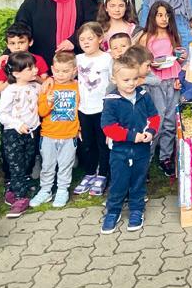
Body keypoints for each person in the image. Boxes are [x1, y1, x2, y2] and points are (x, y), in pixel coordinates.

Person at [100, 56, 161, 234]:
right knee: (118, 182)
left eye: (135, 79)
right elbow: (108, 127)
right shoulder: (111, 100)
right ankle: (113, 211)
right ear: (114, 79)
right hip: (120, 150)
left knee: (138, 181)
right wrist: (132, 136)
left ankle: (136, 210)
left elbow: (154, 117)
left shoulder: (143, 95)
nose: (131, 83)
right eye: (126, 80)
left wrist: (150, 132)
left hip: (142, 150)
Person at [15, 0, 98, 66]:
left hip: (75, 59)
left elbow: (91, 24)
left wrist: (73, 40)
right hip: (39, 61)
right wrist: (9, 51)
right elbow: (20, 26)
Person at [137, 2, 184, 177]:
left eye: (167, 15)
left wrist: (180, 68)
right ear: (153, 16)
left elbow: (177, 60)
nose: (164, 19)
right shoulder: (146, 37)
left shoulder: (173, 35)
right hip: (155, 82)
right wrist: (151, 64)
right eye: (160, 15)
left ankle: (165, 158)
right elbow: (140, 60)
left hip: (172, 80)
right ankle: (146, 160)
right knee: (157, 119)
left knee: (170, 121)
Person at [31, 51, 79, 208]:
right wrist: (49, 103)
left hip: (69, 134)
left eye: (65, 71)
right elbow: (41, 112)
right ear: (52, 69)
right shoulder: (47, 87)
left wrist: (80, 128)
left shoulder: (78, 86)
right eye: (57, 71)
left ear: (74, 70)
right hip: (49, 134)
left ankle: (62, 190)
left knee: (65, 165)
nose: (61, 74)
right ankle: (45, 190)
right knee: (47, 165)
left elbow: (81, 109)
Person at [0, 52, 40, 218]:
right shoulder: (10, 91)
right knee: (17, 166)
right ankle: (20, 199)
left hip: (32, 132)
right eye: (29, 69)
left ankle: (14, 189)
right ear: (16, 73)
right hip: (13, 134)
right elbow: (2, 115)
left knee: (28, 161)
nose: (35, 70)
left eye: (34, 66)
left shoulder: (35, 87)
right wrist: (17, 124)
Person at [73, 22, 113, 197]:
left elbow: (114, 80)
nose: (86, 42)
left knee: (103, 143)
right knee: (87, 143)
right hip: (84, 109)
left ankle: (103, 174)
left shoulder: (107, 59)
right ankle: (90, 173)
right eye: (82, 39)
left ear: (100, 38)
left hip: (102, 108)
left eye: (90, 38)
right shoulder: (78, 59)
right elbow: (65, 75)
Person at [0, 23, 50, 97]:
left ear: (30, 42)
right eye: (12, 43)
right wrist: (12, 79)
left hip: (35, 100)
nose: (17, 47)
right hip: (13, 101)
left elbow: (46, 83)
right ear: (7, 45)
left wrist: (34, 77)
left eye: (21, 42)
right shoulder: (5, 63)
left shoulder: (38, 60)